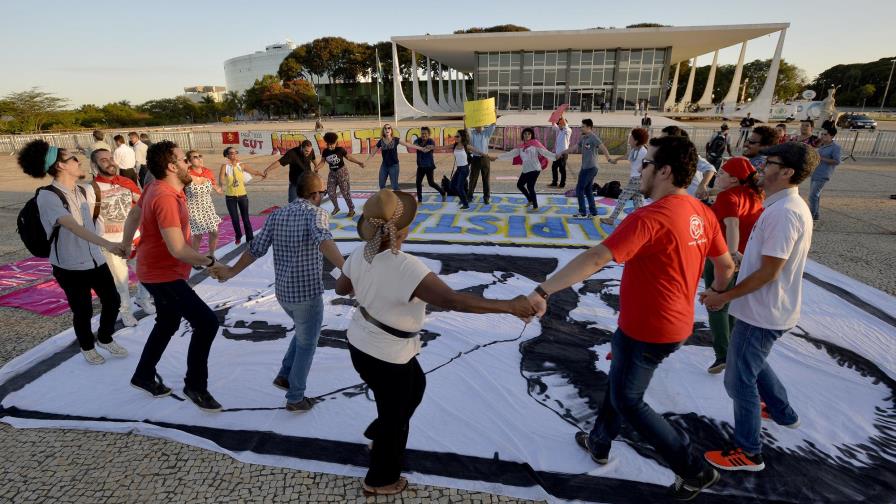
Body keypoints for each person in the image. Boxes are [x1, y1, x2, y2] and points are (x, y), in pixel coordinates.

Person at [527, 135, 735, 501]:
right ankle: (599, 442)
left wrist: (543, 291)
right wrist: (717, 294)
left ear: (665, 171)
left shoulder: (650, 217)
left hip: (649, 329)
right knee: (620, 385)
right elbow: (725, 264)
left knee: (628, 399)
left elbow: (595, 258)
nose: (640, 170)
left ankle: (693, 469)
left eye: (647, 163)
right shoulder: (702, 212)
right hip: (671, 324)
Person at [333, 188, 534, 496]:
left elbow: (341, 289)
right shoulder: (406, 266)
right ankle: (380, 479)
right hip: (385, 355)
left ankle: (380, 430)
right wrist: (510, 306)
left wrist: (364, 275)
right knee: (396, 419)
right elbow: (453, 301)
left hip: (363, 344)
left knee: (416, 386)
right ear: (405, 229)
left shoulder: (363, 252)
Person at [701, 142, 818, 473]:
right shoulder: (782, 206)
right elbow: (764, 264)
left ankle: (749, 452)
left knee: (738, 382)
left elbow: (770, 272)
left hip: (762, 312)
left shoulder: (785, 213)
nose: (760, 169)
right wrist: (738, 264)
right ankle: (782, 412)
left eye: (768, 163)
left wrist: (724, 296)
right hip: (765, 308)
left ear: (787, 172)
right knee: (755, 363)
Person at [210, 172, 345, 412]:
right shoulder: (317, 213)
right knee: (308, 343)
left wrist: (231, 271)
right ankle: (295, 397)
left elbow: (256, 249)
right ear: (314, 195)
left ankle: (285, 374)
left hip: (283, 293)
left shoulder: (278, 215)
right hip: (306, 294)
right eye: (322, 192)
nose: (322, 196)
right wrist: (348, 269)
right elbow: (323, 239)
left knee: (304, 332)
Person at [120, 140, 224, 411]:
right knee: (207, 323)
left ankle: (143, 374)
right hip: (163, 275)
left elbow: (134, 213)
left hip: (157, 271)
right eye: (183, 159)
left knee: (167, 323)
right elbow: (178, 249)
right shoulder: (164, 196)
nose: (189, 163)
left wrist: (125, 243)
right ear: (171, 165)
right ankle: (195, 386)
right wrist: (210, 262)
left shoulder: (156, 186)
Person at [18, 140, 128, 364]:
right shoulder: (48, 197)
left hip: (95, 259)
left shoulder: (80, 190)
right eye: (72, 158)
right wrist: (108, 245)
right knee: (83, 309)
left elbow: (91, 223)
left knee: (113, 300)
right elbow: (73, 227)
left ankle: (105, 338)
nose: (78, 161)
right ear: (60, 166)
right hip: (69, 265)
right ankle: (87, 345)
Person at [701, 157, 764, 374]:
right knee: (730, 302)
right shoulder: (755, 195)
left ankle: (723, 355)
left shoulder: (728, 196)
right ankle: (735, 350)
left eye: (721, 173)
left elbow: (732, 223)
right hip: (746, 258)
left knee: (715, 302)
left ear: (734, 179)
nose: (717, 176)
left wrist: (730, 252)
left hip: (723, 258)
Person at [91, 148, 155, 326]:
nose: (110, 162)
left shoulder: (127, 182)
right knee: (121, 281)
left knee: (146, 273)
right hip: (111, 243)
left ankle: (143, 299)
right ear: (94, 165)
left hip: (134, 238)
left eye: (111, 158)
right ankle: (126, 311)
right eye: (103, 160)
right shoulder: (91, 189)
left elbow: (142, 204)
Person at [558, 118, 615, 218]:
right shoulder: (583, 138)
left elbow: (603, 148)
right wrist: (562, 152)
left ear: (589, 127)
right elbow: (574, 148)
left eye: (583, 126)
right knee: (588, 190)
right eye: (581, 126)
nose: (581, 128)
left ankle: (582, 212)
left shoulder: (593, 137)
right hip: (584, 168)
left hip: (591, 168)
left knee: (579, 189)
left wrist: (609, 158)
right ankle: (593, 212)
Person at [492, 128, 556, 211]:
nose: (527, 135)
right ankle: (530, 200)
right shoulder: (521, 147)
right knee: (520, 185)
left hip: (534, 169)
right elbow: (510, 154)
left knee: (530, 187)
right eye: (525, 134)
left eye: (529, 134)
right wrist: (497, 157)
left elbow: (545, 152)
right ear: (523, 135)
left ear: (531, 135)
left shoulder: (535, 144)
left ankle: (535, 206)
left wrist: (555, 156)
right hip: (526, 169)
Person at [601, 128, 649, 225]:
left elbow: (648, 165)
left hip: (637, 180)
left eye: (631, 137)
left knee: (622, 198)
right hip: (635, 179)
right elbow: (627, 156)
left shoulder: (644, 152)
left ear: (636, 140)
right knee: (638, 203)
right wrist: (616, 160)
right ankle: (643, 222)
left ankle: (611, 219)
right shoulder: (635, 149)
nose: (629, 138)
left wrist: (643, 178)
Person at [219, 146, 265, 245]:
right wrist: (222, 185)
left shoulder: (242, 165)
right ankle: (238, 235)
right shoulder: (225, 166)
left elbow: (254, 171)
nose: (234, 154)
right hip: (230, 196)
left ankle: (250, 238)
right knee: (235, 219)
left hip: (242, 196)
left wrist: (262, 174)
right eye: (231, 153)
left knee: (245, 218)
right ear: (227, 155)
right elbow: (221, 178)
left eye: (235, 152)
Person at [316, 132, 365, 217]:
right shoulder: (325, 151)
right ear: (326, 143)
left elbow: (349, 157)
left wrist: (359, 162)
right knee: (330, 192)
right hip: (332, 173)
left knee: (345, 192)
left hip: (342, 172)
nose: (330, 146)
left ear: (335, 143)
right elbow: (322, 162)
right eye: (329, 145)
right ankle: (336, 207)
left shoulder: (340, 150)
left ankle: (351, 209)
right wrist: (317, 168)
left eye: (332, 144)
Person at [185, 150, 222, 263]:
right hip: (193, 208)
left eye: (200, 156)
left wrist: (221, 189)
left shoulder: (208, 172)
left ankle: (211, 255)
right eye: (195, 157)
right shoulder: (186, 174)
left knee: (214, 232)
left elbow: (216, 187)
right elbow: (179, 191)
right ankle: (195, 260)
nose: (199, 158)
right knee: (198, 236)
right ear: (189, 161)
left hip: (208, 207)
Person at [660, 126, 716, 200]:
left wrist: (702, 185)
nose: (660, 142)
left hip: (694, 197)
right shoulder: (668, 155)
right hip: (679, 198)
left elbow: (710, 169)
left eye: (664, 139)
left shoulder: (688, 155)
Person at [808, 126, 842, 223]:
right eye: (822, 134)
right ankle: (816, 215)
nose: (822, 136)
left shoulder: (836, 147)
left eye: (825, 134)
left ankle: (812, 216)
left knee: (813, 195)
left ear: (832, 136)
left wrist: (821, 158)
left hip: (824, 174)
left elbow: (837, 161)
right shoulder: (821, 145)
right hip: (815, 172)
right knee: (816, 195)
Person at [366, 124, 408, 191]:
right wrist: (366, 161)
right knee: (381, 185)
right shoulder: (381, 141)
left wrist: (421, 148)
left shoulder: (395, 139)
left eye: (389, 128)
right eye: (385, 128)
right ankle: (385, 199)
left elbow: (407, 144)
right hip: (384, 166)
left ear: (391, 130)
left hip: (394, 166)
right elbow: (373, 152)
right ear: (383, 131)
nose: (387, 129)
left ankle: (399, 199)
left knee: (395, 186)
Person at [411, 126, 445, 203]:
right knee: (418, 183)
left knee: (431, 183)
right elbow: (414, 145)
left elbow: (426, 150)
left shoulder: (431, 141)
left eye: (425, 133)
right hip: (420, 166)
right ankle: (420, 200)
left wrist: (421, 147)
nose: (424, 135)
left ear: (428, 134)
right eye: (422, 133)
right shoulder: (417, 140)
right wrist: (419, 146)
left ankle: (443, 193)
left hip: (429, 166)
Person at [467, 123, 496, 204]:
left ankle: (486, 198)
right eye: (477, 125)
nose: (478, 127)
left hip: (485, 159)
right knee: (473, 179)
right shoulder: (472, 134)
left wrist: (494, 116)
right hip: (475, 159)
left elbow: (493, 126)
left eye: (480, 125)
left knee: (486, 179)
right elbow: (467, 129)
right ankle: (469, 197)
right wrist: (465, 121)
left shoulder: (486, 133)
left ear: (483, 126)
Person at [449, 130, 473, 209]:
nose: (456, 137)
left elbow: (477, 151)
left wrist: (486, 156)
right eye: (455, 136)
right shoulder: (454, 145)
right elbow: (443, 147)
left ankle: (465, 204)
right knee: (452, 185)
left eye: (457, 136)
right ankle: (463, 199)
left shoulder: (466, 146)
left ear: (462, 137)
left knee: (459, 187)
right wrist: (432, 147)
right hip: (459, 169)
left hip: (464, 169)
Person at [548, 116, 572, 188]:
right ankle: (554, 182)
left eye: (562, 123)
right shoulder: (559, 130)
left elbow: (565, 125)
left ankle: (562, 184)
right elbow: (554, 125)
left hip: (563, 153)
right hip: (557, 153)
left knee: (562, 169)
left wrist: (562, 116)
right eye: (559, 124)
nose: (560, 125)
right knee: (554, 167)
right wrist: (553, 118)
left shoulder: (568, 130)